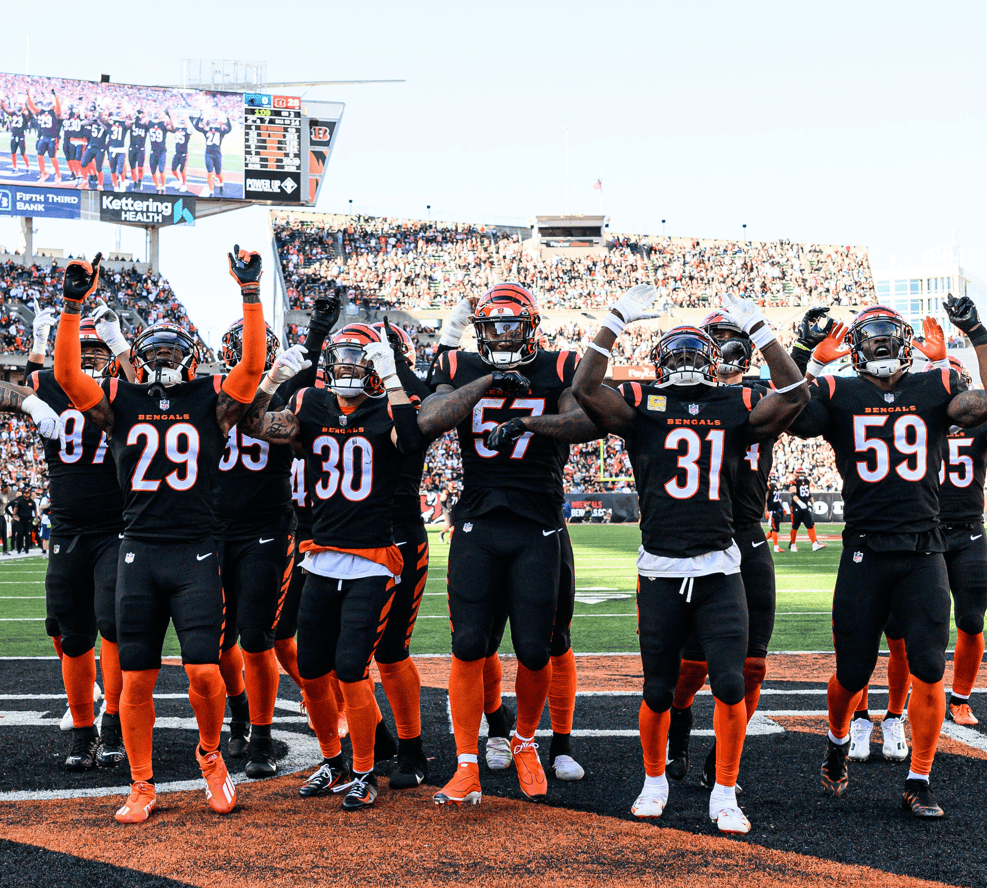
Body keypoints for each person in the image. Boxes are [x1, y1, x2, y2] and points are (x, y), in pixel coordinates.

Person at [571, 286, 808, 834]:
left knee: (729, 683)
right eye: (672, 358)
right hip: (659, 568)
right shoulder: (643, 408)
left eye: (691, 357)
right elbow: (584, 386)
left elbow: (796, 393)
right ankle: (654, 779)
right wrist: (613, 319)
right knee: (658, 688)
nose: (680, 368)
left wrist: (762, 331)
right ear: (659, 366)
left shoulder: (733, 404)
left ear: (712, 365)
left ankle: (724, 791)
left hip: (720, 567)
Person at [53, 246, 267, 823]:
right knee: (136, 678)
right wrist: (73, 305)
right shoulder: (120, 399)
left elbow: (251, 367)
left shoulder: (208, 399)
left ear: (191, 359)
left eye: (176, 351)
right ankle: (142, 783)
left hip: (196, 549)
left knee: (203, 671)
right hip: (139, 549)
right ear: (139, 361)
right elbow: (67, 375)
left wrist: (249, 293)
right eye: (158, 352)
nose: (168, 360)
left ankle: (210, 756)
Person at [788, 298, 987, 818]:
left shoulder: (937, 385)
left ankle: (918, 779)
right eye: (869, 337)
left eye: (888, 336)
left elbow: (985, 404)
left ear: (905, 345)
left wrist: (976, 335)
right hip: (864, 549)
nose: (880, 345)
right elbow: (788, 416)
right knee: (851, 674)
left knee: (927, 667)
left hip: (924, 548)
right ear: (853, 350)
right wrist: (807, 359)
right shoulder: (837, 390)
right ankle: (836, 740)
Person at [419, 283, 605, 806]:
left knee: (534, 646)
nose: (500, 336)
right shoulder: (463, 369)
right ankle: (466, 764)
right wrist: (485, 383)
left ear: (531, 328)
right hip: (478, 518)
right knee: (467, 644)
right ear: (479, 333)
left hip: (538, 522)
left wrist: (525, 420)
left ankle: (525, 740)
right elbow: (429, 419)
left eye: (510, 326)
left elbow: (587, 422)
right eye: (491, 328)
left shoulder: (561, 364)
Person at [239, 323, 424, 810]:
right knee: (316, 669)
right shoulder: (310, 404)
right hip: (319, 554)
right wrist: (272, 381)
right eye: (340, 361)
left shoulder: (391, 408)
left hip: (372, 560)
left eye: (357, 363)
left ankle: (365, 769)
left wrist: (396, 379)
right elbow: (252, 424)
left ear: (376, 370)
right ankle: (333, 760)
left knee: (351, 669)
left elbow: (413, 443)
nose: (345, 370)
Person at [665, 309, 782, 791]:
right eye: (718, 340)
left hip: (747, 535)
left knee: (753, 663)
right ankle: (679, 722)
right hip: (701, 538)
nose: (728, 348)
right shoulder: (684, 399)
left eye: (736, 340)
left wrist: (796, 355)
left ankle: (723, 748)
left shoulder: (757, 396)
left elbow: (797, 399)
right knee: (691, 666)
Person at [212, 319, 294, 778]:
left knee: (257, 638)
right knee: (218, 640)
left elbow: (257, 418)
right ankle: (239, 710)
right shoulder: (210, 397)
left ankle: (261, 739)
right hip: (215, 529)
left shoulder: (285, 400)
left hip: (267, 527)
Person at [788, 466, 825, 551]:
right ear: (796, 474)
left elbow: (809, 494)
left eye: (802, 473)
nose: (801, 474)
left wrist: (813, 504)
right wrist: (799, 503)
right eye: (799, 473)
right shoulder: (793, 482)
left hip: (805, 507)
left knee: (810, 525)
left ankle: (814, 544)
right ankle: (793, 545)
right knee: (795, 527)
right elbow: (793, 494)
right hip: (796, 507)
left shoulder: (807, 481)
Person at [766, 472, 786, 553]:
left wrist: (782, 508)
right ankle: (776, 547)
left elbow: (777, 500)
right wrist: (766, 511)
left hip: (776, 510)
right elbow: (765, 500)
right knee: (775, 529)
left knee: (775, 528)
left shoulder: (776, 488)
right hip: (772, 511)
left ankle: (763, 540)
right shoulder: (768, 488)